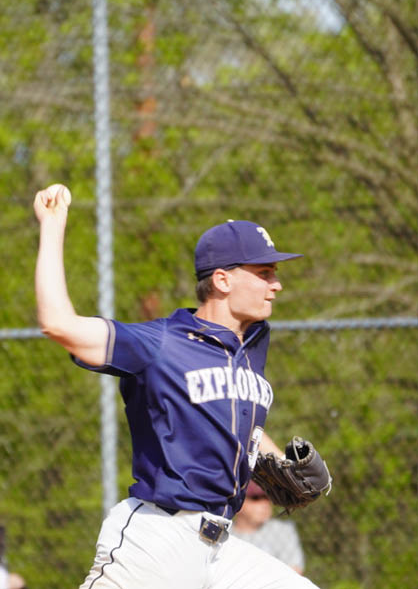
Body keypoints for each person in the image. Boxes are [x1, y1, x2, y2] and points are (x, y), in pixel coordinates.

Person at [34, 184, 320, 589]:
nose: (276, 284)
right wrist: (52, 226)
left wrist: (281, 464)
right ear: (222, 279)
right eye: (264, 274)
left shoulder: (251, 345)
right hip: (158, 539)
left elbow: (231, 417)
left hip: (221, 546)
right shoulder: (160, 343)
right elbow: (58, 324)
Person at [231, 480, 305, 574]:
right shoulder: (224, 534)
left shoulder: (282, 531)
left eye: (267, 497)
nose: (265, 504)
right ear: (237, 501)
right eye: (256, 498)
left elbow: (294, 573)